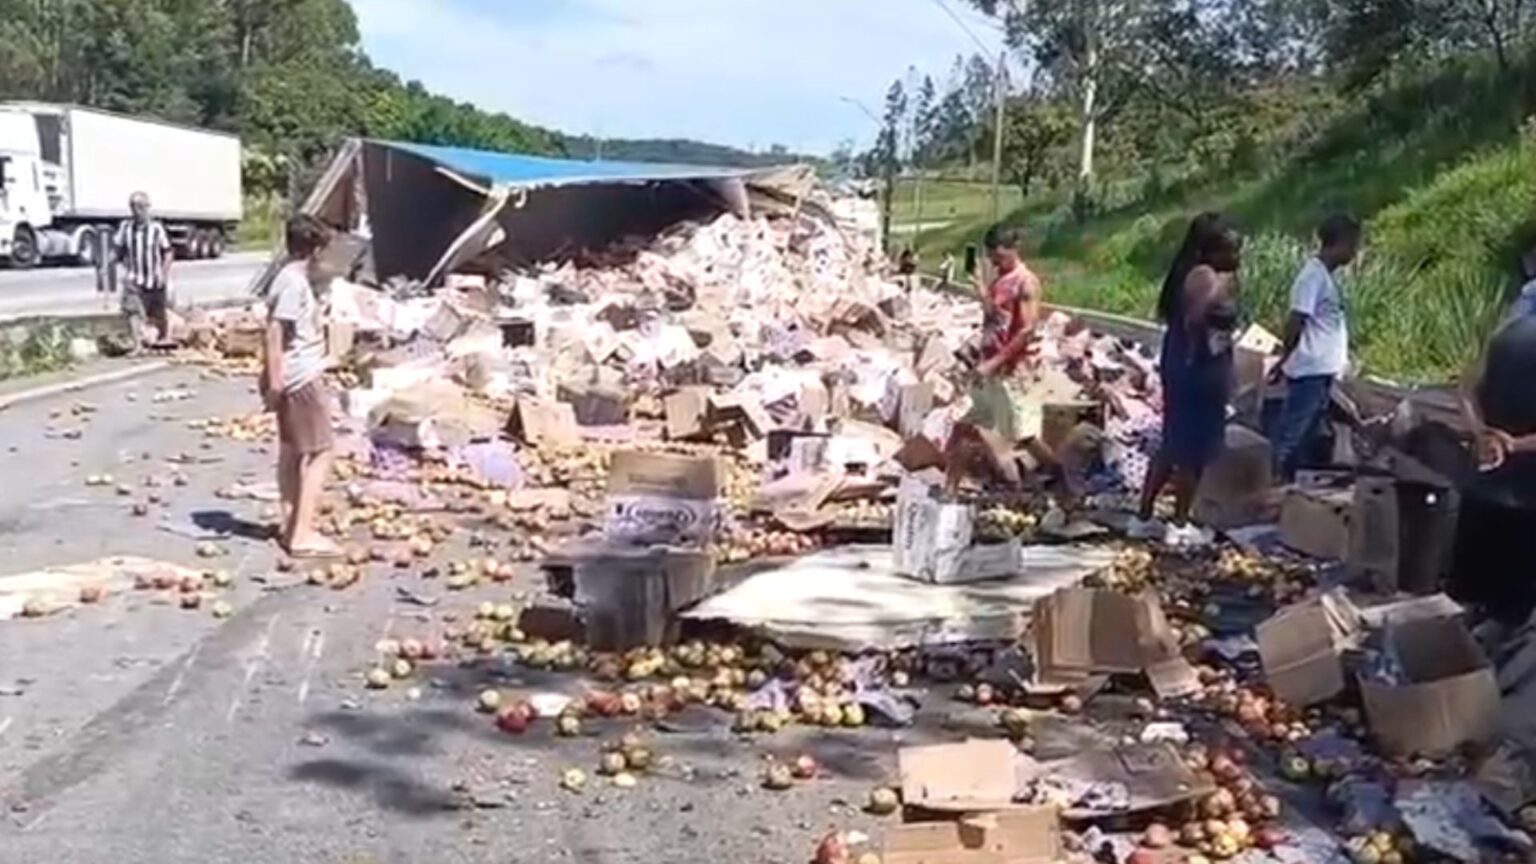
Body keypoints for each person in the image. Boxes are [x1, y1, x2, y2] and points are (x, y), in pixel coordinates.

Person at [1130, 212, 1244, 546]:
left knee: (1172, 442)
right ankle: (1179, 523)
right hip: (1199, 370)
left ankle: (1144, 517)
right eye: (1231, 252)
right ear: (1211, 250)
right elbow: (1201, 322)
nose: (1236, 259)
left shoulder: (1186, 273)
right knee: (1194, 449)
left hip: (1179, 363)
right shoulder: (1207, 278)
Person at [1451, 304, 1536, 628]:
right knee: (1512, 614)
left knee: (1467, 603)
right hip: (1527, 501)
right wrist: (1513, 445)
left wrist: (1481, 432)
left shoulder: (1505, 336)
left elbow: (1465, 389)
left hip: (1482, 488)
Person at [262, 215, 340, 558]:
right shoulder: (293, 283)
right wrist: (276, 381)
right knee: (322, 451)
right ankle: (303, 534)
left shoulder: (286, 278)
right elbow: (275, 332)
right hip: (300, 378)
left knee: (293, 450)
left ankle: (290, 521)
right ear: (316, 250)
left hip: (291, 377)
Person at [1269, 214, 1362, 481]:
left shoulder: (1324, 277)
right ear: (1340, 243)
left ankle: (1294, 484)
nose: (1355, 252)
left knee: (1312, 435)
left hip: (1321, 370)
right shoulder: (1312, 277)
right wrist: (1285, 358)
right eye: (1353, 244)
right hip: (1310, 369)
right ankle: (1271, 482)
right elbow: (1296, 320)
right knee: (1291, 433)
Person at [967, 224, 1043, 443]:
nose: (994, 262)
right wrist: (981, 290)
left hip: (1013, 372)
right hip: (992, 369)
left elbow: (1027, 330)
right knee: (989, 431)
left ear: (1014, 249)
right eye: (991, 256)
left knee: (1019, 437)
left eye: (998, 256)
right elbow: (996, 316)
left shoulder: (1025, 282)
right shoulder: (1000, 279)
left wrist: (994, 362)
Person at [114, 191, 175, 347]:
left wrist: (163, 273)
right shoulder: (125, 228)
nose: (137, 211)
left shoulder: (156, 229)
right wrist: (118, 269)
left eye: (140, 206)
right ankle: (137, 345)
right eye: (133, 206)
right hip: (134, 278)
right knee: (132, 311)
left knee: (159, 313)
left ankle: (163, 339)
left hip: (154, 277)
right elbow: (118, 250)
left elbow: (168, 252)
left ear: (147, 207)